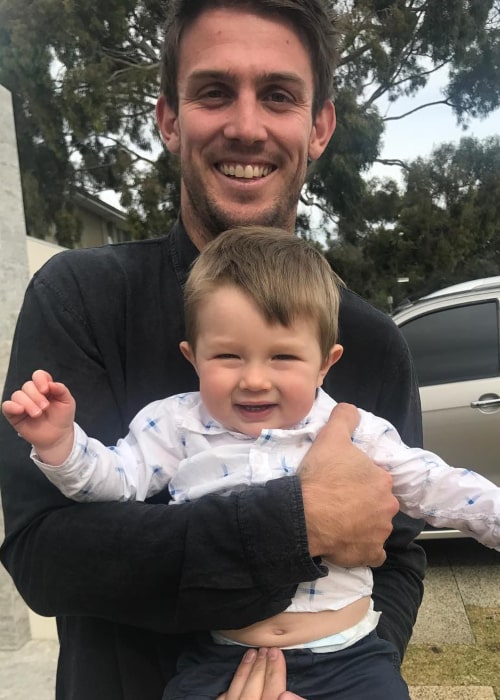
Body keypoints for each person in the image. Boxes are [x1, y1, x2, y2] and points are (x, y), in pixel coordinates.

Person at [0, 2, 425, 698]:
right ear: (170, 118)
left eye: (279, 95)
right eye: (215, 91)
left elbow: (398, 555)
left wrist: (340, 674)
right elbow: (46, 557)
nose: (247, 126)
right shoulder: (80, 297)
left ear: (319, 126)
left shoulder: (371, 343)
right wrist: (297, 523)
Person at [7, 226, 499, 699]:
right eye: (227, 356)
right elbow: (115, 481)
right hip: (220, 658)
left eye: (283, 357)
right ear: (192, 355)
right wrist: (62, 444)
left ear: (326, 362)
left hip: (349, 658)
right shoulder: (174, 424)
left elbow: (435, 484)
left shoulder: (353, 429)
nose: (255, 380)